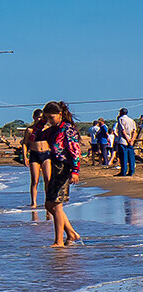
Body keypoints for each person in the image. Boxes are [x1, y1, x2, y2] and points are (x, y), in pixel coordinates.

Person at [42, 101, 82, 247]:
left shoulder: (67, 129)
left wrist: (75, 171)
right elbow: (36, 137)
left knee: (57, 205)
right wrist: (42, 122)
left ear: (60, 114)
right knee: (49, 204)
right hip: (55, 167)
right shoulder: (53, 129)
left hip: (64, 168)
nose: (49, 121)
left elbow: (75, 151)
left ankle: (59, 241)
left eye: (51, 117)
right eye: (47, 118)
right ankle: (72, 233)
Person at [24, 109, 50, 206]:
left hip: (46, 154)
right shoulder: (30, 130)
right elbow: (25, 144)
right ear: (34, 117)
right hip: (34, 155)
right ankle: (33, 202)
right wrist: (25, 156)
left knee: (48, 178)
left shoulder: (47, 128)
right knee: (35, 180)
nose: (40, 119)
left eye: (42, 118)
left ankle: (48, 201)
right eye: (38, 117)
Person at [117, 107, 137, 178]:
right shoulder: (132, 120)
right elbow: (134, 131)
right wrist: (132, 140)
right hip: (130, 141)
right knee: (131, 157)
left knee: (123, 157)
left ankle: (123, 171)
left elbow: (123, 131)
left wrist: (128, 139)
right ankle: (131, 171)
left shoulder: (121, 119)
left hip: (123, 140)